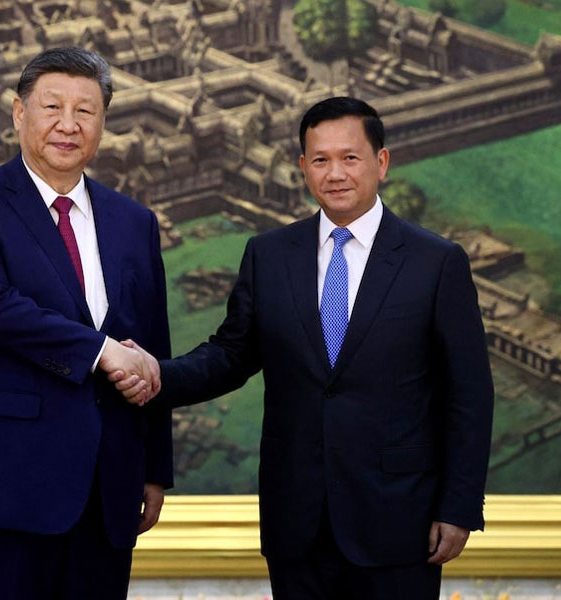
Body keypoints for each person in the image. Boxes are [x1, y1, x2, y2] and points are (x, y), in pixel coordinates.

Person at [113, 97, 494, 599]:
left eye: (350, 157)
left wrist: (458, 506)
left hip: (399, 520)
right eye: (320, 160)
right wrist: (156, 374)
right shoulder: (269, 255)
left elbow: (469, 393)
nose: (335, 173)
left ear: (381, 162)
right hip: (297, 521)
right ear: (302, 168)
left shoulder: (436, 262)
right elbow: (229, 356)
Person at [0, 46, 172, 599]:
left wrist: (155, 465)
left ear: (103, 122)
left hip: (108, 486)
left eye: (85, 111)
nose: (69, 125)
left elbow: (152, 347)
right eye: (52, 107)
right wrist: (101, 351)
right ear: (19, 113)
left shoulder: (134, 222)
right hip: (8, 482)